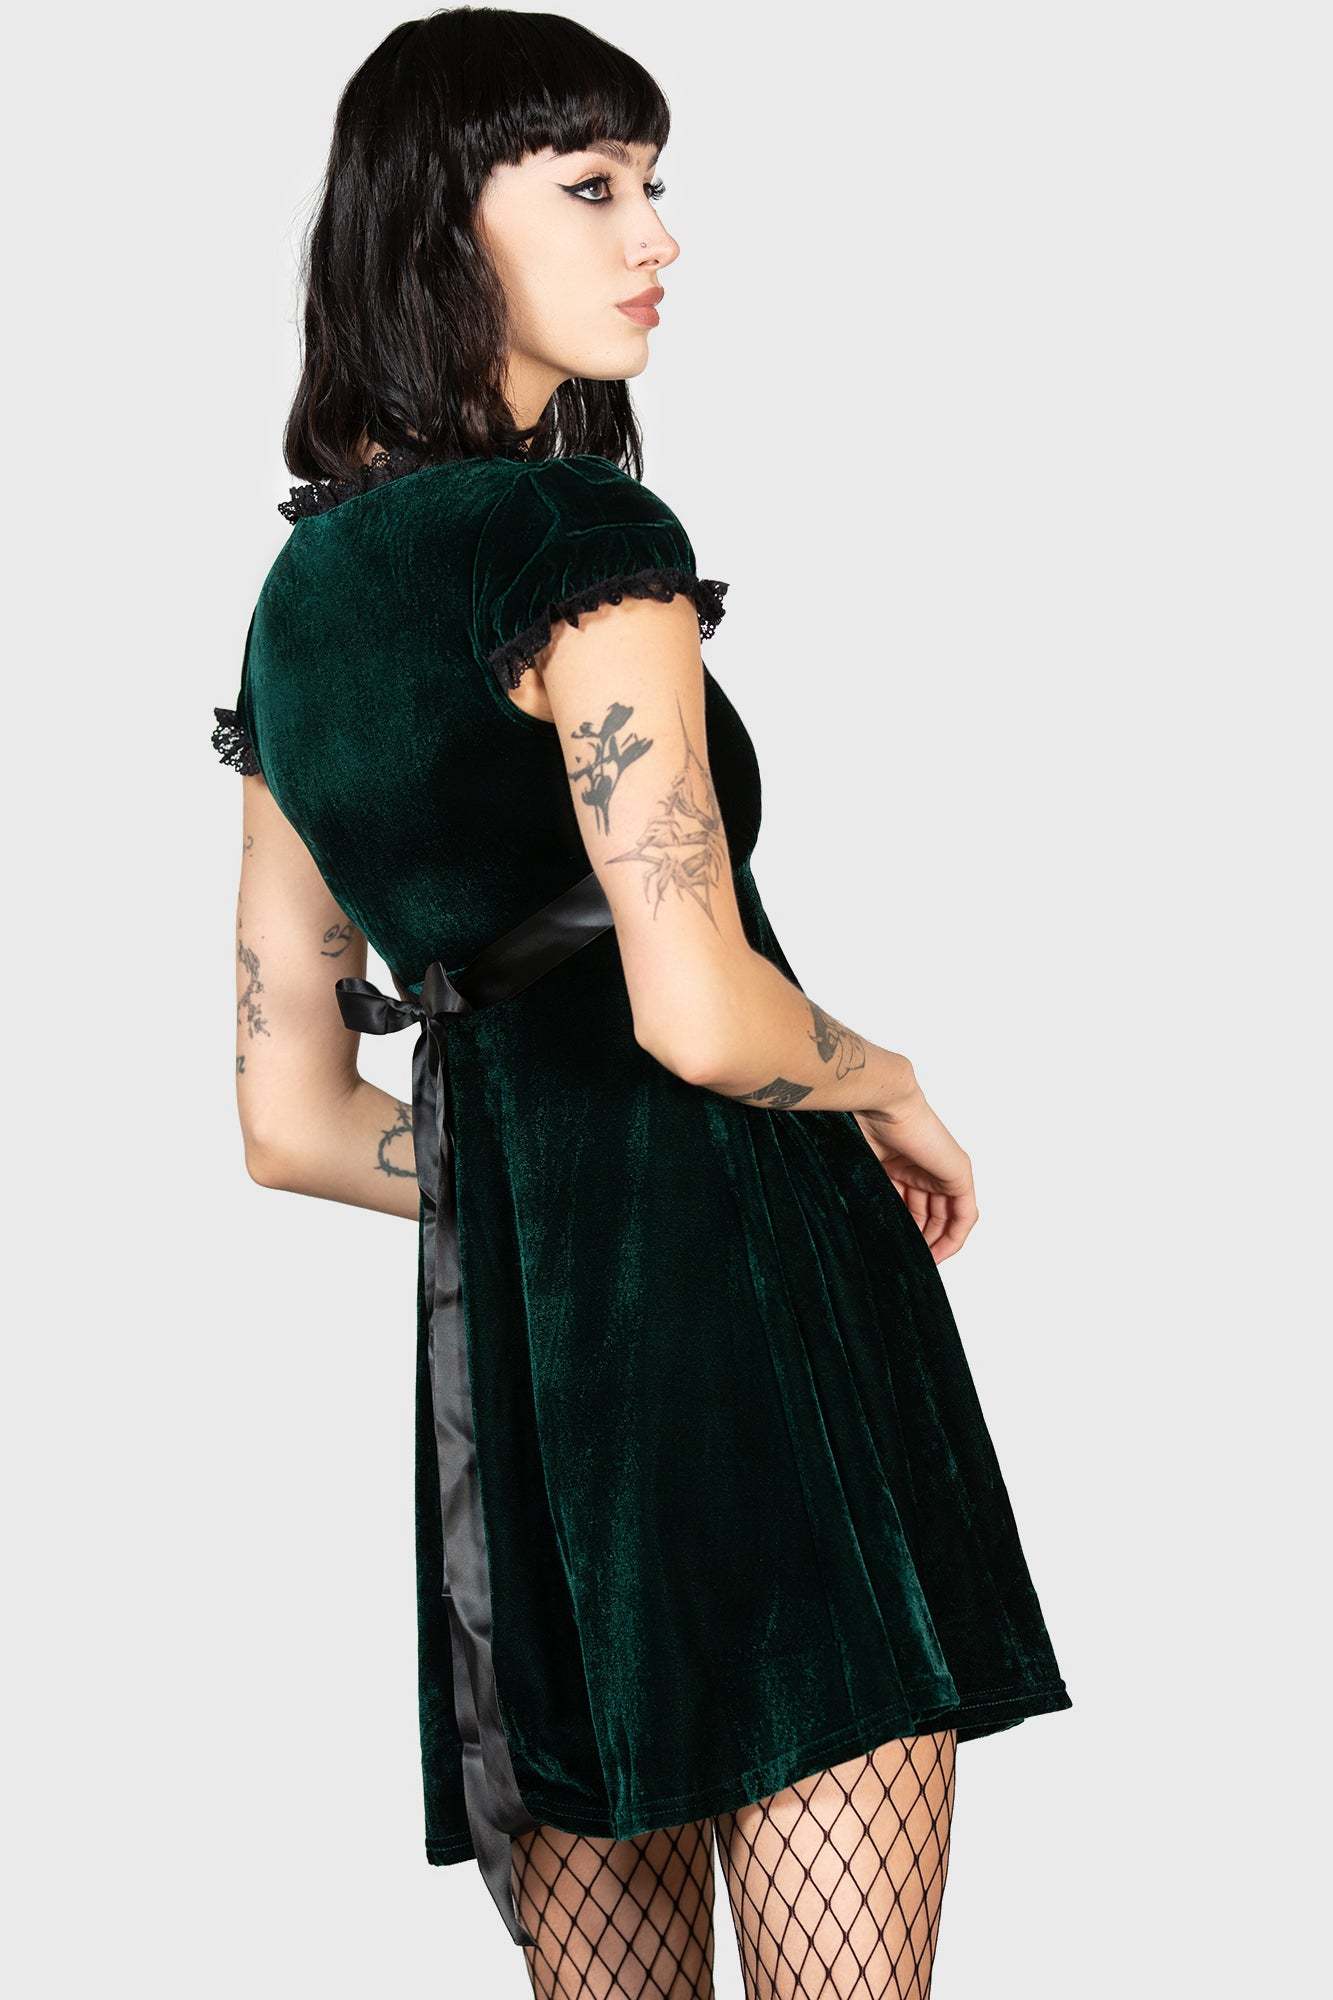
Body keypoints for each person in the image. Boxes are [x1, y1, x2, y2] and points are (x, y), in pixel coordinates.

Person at [211, 10, 1071, 1995]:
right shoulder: (580, 536)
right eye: (591, 187)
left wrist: (533, 1197)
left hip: (529, 1390)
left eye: (654, 185)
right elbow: (699, 1009)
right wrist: (886, 1080)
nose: (656, 235)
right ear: (441, 222)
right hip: (755, 1322)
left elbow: (292, 1117)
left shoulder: (296, 613)